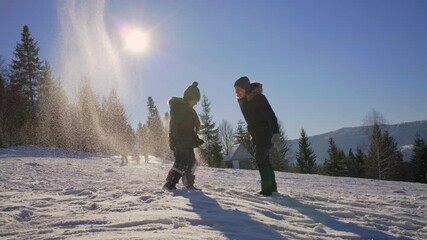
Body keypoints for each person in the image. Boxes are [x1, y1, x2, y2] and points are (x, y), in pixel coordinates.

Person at [234, 76, 280, 196]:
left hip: (265, 133)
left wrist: (275, 133)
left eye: (238, 89)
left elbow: (271, 116)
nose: (236, 92)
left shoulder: (258, 98)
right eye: (235, 90)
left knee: (260, 159)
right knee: (264, 160)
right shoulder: (244, 101)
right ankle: (272, 188)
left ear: (245, 88)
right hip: (256, 135)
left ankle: (267, 190)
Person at [163, 81, 204, 191]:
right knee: (181, 163)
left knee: (192, 163)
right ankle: (169, 184)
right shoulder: (179, 108)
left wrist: (196, 140)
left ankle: (188, 184)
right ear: (190, 98)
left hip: (188, 142)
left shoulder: (189, 111)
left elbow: (190, 130)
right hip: (180, 142)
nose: (196, 103)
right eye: (195, 100)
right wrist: (172, 140)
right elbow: (173, 125)